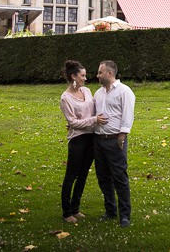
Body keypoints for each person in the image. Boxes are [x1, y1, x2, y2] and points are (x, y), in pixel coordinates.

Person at [60, 60, 107, 223]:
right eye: (82, 76)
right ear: (73, 76)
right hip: (77, 140)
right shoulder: (65, 98)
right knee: (71, 176)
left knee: (83, 175)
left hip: (91, 138)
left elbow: (95, 111)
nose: (85, 79)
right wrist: (93, 120)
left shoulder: (87, 91)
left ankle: (76, 208)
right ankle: (67, 213)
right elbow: (73, 123)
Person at [94, 60, 136, 228]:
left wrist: (122, 136)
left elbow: (127, 115)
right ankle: (110, 210)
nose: (97, 75)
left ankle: (124, 215)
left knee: (119, 178)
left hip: (115, 140)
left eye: (100, 72)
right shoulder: (98, 93)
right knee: (103, 178)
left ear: (109, 73)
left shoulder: (124, 91)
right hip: (98, 139)